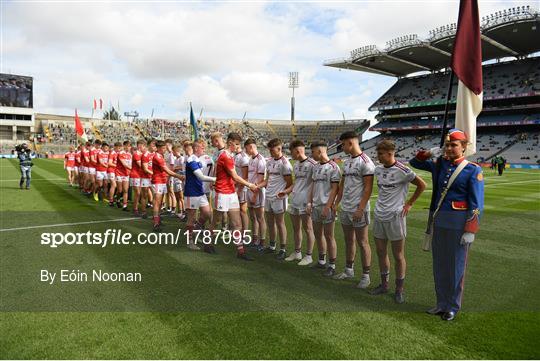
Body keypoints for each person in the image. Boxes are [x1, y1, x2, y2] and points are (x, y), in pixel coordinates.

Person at [410, 128, 484, 321]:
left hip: (459, 225)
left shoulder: (472, 169)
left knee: (456, 267)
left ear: (464, 147)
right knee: (440, 265)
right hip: (439, 221)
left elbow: (476, 204)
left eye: (454, 145)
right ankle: (441, 303)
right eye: (447, 145)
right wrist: (428, 152)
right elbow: (414, 162)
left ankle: (452, 306)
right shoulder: (439, 164)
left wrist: (471, 229)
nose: (449, 148)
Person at [370, 139, 426, 303]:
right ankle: (384, 284)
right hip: (379, 215)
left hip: (396, 216)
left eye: (380, 154)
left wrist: (409, 204)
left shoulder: (403, 170)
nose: (378, 157)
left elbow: (422, 185)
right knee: (380, 252)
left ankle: (399, 289)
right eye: (377, 153)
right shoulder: (378, 170)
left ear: (390, 154)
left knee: (398, 255)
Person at [333, 131, 375, 288]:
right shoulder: (348, 162)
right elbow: (343, 185)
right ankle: (348, 270)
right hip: (346, 208)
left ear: (350, 143)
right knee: (348, 240)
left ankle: (366, 276)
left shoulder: (366, 162)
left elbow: (368, 189)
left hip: (359, 209)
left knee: (363, 242)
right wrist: (337, 202)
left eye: (343, 144)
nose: (342, 147)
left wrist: (361, 208)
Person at [210, 132, 258, 260]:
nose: (238, 147)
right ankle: (208, 243)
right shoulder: (225, 156)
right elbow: (235, 176)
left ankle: (240, 251)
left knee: (237, 223)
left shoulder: (229, 155)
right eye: (236, 144)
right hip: (222, 192)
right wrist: (250, 185)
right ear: (230, 142)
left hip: (231, 192)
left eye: (239, 144)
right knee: (217, 221)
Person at [280, 139, 317, 265]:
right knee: (296, 228)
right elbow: (296, 183)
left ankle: (309, 255)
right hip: (294, 200)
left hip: (305, 202)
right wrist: (286, 191)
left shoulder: (312, 164)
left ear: (298, 151)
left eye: (292, 152)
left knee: (308, 228)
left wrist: (310, 202)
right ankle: (297, 252)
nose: (291, 155)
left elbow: (315, 184)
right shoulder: (295, 165)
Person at [307, 140, 341, 276]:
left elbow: (335, 189)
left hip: (327, 206)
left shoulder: (333, 167)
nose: (312, 154)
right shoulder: (315, 167)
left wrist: (328, 206)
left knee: (329, 236)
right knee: (317, 234)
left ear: (320, 151)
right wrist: (309, 202)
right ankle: (321, 261)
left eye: (313, 152)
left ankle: (332, 265)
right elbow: (313, 186)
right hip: (315, 206)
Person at [257, 138, 293, 260]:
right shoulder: (270, 161)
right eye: (270, 150)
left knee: (280, 223)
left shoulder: (285, 164)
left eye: (272, 150)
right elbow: (268, 179)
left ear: (279, 149)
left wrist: (283, 193)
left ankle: (282, 249)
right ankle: (272, 246)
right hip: (268, 196)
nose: (271, 153)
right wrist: (258, 186)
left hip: (279, 198)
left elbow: (289, 183)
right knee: (270, 222)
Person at [183, 140, 216, 249]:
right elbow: (201, 177)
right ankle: (190, 241)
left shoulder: (197, 159)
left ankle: (196, 229)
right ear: (196, 148)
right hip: (191, 192)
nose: (204, 149)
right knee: (191, 217)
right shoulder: (191, 159)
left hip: (199, 191)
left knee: (207, 213)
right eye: (202, 147)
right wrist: (216, 179)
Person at [150, 140, 184, 232]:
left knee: (160, 202)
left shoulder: (160, 156)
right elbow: (167, 170)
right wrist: (179, 176)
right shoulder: (157, 157)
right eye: (164, 148)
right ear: (159, 148)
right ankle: (156, 223)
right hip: (157, 182)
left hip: (161, 181)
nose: (165, 150)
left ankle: (158, 220)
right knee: (157, 203)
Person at [244, 138, 267, 251]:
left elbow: (260, 180)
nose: (246, 150)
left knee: (260, 218)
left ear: (251, 147)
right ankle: (255, 239)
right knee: (252, 217)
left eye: (246, 148)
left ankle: (262, 243)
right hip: (249, 190)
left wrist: (254, 195)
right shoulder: (250, 159)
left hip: (257, 192)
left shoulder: (260, 160)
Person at [115, 140, 132, 211]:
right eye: (127, 146)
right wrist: (132, 169)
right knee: (120, 190)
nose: (129, 147)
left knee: (125, 190)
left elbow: (130, 164)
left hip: (126, 174)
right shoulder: (120, 153)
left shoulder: (130, 155)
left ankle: (125, 206)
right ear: (124, 146)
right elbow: (124, 164)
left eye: (130, 146)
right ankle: (117, 199)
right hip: (119, 173)